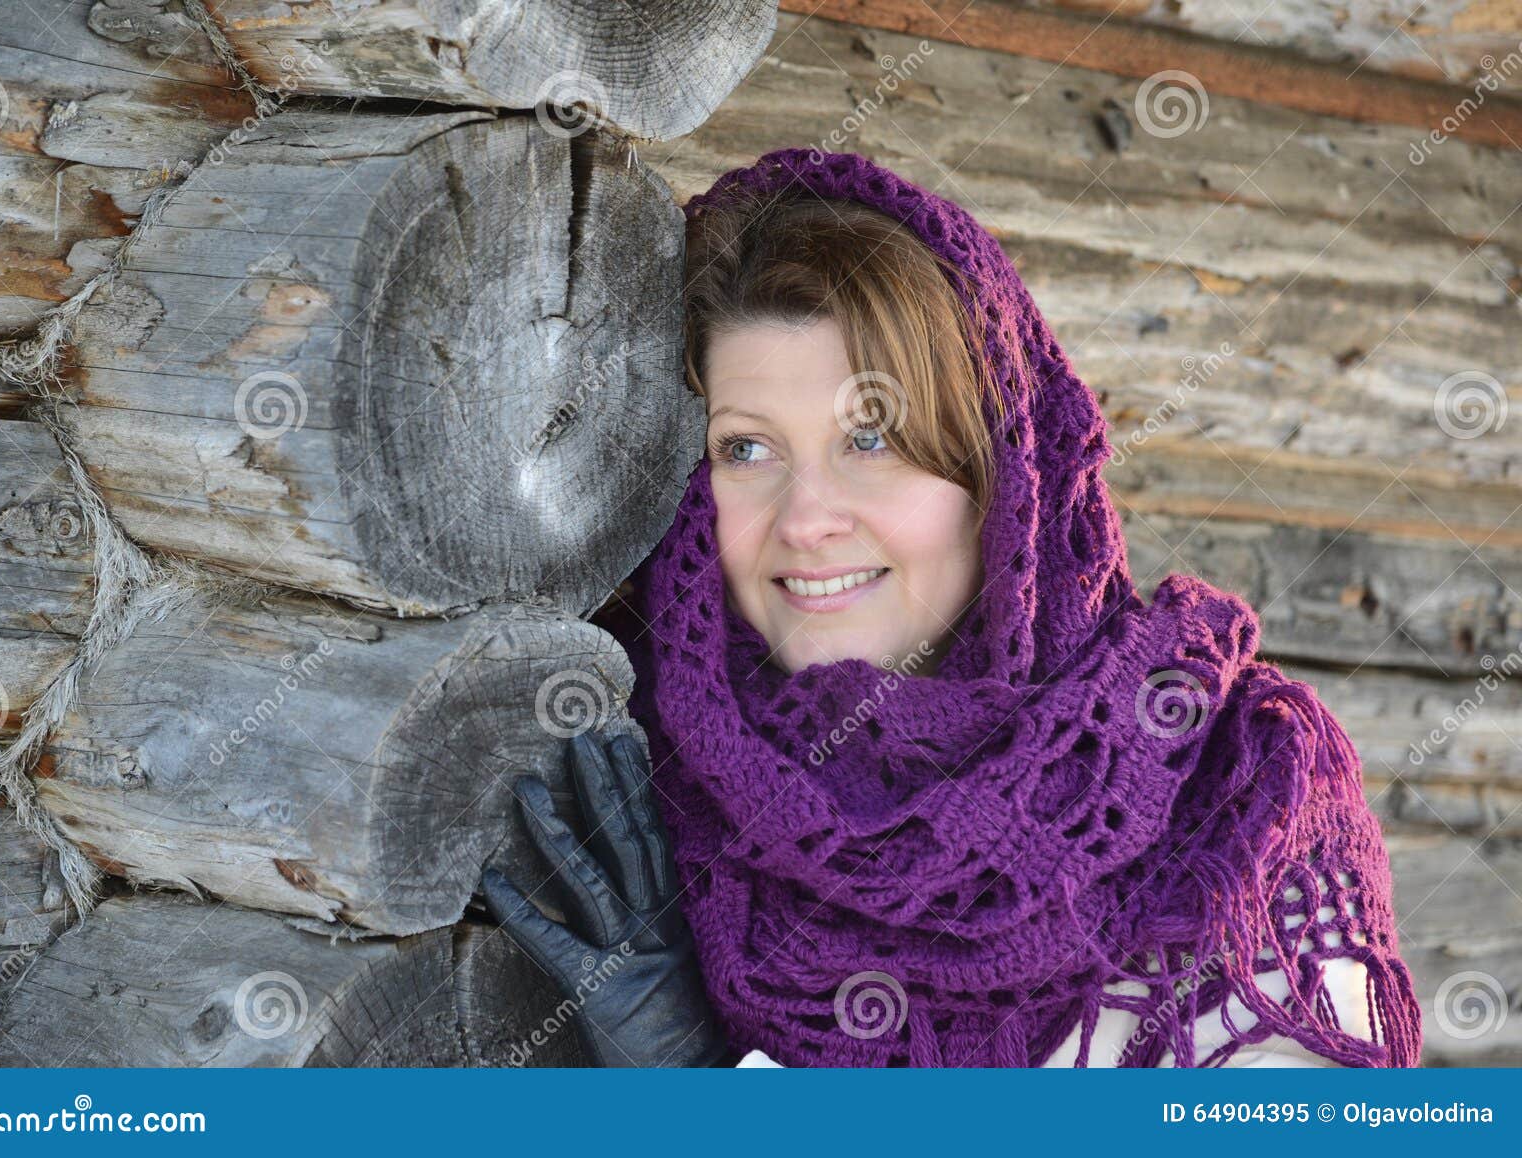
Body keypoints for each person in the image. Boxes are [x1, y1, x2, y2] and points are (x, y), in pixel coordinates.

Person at [482, 148, 1424, 1068]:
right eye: (746, 450)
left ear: (1000, 476)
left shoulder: (1245, 798)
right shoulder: (662, 800)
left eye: (872, 437)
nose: (807, 519)